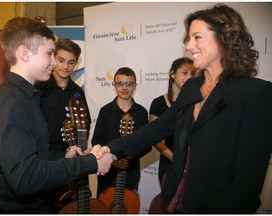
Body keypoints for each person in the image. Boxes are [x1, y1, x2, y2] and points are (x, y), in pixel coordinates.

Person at [95, 4, 272, 213]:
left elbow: (248, 179)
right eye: (189, 39)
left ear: (224, 37)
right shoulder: (192, 87)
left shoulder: (257, 94)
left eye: (197, 37)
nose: (189, 45)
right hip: (175, 201)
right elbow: (158, 128)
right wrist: (110, 149)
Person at [0, 17, 114, 213]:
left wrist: (64, 156)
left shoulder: (27, 96)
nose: (55, 63)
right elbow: (26, 177)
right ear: (24, 53)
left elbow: (33, 154)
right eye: (50, 54)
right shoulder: (11, 102)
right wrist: (90, 163)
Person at [91, 67, 151, 198]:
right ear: (114, 86)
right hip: (107, 172)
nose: (124, 88)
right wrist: (111, 159)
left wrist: (130, 156)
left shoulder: (141, 112)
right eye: (120, 83)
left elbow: (147, 145)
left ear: (135, 86)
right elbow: (97, 141)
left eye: (129, 84)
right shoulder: (105, 111)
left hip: (131, 171)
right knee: (104, 208)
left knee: (128, 207)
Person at [35, 38, 91, 160]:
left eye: (71, 62)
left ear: (76, 63)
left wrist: (78, 146)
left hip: (71, 155)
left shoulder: (77, 92)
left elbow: (86, 123)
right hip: (43, 156)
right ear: (53, 59)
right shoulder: (39, 88)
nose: (66, 66)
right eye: (61, 60)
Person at [149, 57, 195, 187]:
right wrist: (175, 159)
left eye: (193, 74)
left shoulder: (197, 103)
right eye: (185, 72)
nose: (189, 77)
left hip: (192, 164)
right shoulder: (158, 103)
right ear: (173, 74)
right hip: (169, 162)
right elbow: (155, 138)